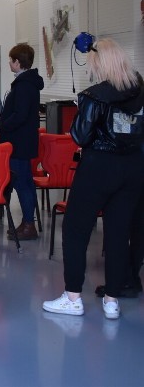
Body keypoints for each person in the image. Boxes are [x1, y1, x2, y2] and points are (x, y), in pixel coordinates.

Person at [42, 38, 144, 320]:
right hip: (134, 167)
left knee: (76, 230)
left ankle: (73, 296)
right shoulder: (139, 92)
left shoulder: (94, 96)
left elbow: (80, 136)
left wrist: (81, 108)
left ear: (98, 64)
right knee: (119, 232)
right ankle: (112, 299)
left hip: (99, 166)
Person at [0, 43, 44, 241]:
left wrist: (3, 125)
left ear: (17, 62)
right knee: (23, 182)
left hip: (19, 142)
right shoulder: (26, 82)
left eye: (10, 60)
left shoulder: (24, 84)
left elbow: (21, 115)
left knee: (23, 183)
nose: (9, 63)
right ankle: (27, 222)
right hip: (22, 141)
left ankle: (28, 224)